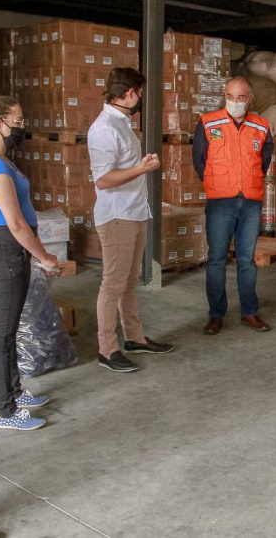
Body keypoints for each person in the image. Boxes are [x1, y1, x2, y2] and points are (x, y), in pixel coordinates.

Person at [0, 96, 59, 431]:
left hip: (12, 252)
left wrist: (39, 250)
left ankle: (16, 393)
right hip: (5, 253)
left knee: (9, 331)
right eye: (16, 121)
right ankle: (6, 411)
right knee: (1, 336)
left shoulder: (2, 160)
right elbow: (15, 223)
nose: (21, 127)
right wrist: (43, 256)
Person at [89, 67, 174, 373]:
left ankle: (135, 337)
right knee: (112, 284)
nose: (141, 99)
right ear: (129, 94)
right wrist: (141, 169)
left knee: (128, 282)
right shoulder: (104, 129)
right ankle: (107, 349)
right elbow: (103, 179)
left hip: (135, 212)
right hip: (117, 216)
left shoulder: (122, 124)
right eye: (140, 93)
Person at [194, 76, 274, 336]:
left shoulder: (261, 126)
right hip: (220, 201)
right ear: (224, 95)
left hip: (250, 201)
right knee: (216, 259)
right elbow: (199, 160)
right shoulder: (208, 123)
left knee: (247, 260)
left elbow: (264, 161)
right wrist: (219, 182)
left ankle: (249, 312)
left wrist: (247, 181)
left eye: (241, 98)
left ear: (249, 98)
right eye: (231, 97)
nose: (236, 102)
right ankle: (215, 315)